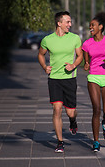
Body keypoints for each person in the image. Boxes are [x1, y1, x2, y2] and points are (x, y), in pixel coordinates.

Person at [38, 11, 83, 153]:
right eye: (67, 22)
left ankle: (73, 121)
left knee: (70, 112)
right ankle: (60, 142)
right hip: (54, 80)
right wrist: (45, 66)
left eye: (70, 22)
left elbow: (80, 55)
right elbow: (40, 54)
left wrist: (74, 65)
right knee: (57, 109)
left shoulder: (75, 38)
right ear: (59, 23)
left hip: (69, 79)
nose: (70, 24)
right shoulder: (47, 40)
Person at [82, 12, 105, 152]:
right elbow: (86, 55)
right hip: (93, 77)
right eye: (90, 25)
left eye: (93, 25)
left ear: (101, 27)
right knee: (96, 109)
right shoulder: (87, 43)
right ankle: (96, 141)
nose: (90, 27)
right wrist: (86, 63)